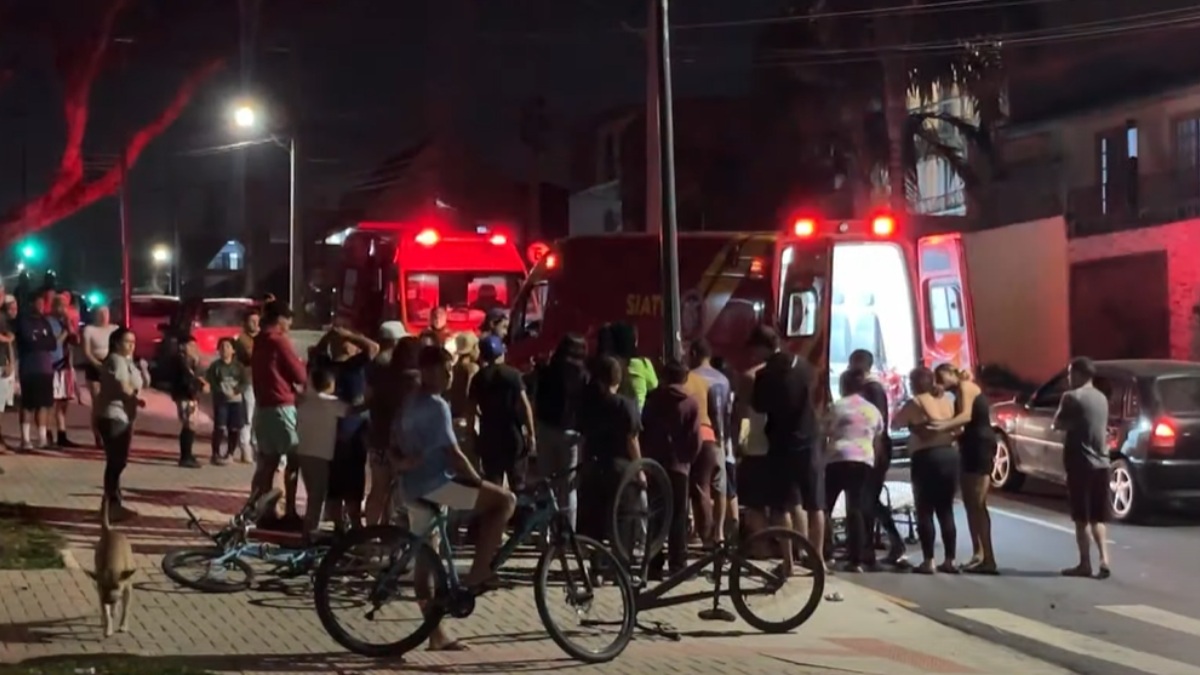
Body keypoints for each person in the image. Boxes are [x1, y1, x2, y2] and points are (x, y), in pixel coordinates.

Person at [396, 346, 516, 645]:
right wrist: (476, 480)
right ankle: (478, 573)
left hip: (413, 487)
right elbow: (453, 453)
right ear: (429, 370)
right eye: (445, 369)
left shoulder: (410, 401)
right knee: (504, 501)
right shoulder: (436, 406)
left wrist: (403, 463)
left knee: (427, 560)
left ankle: (435, 634)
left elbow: (394, 440)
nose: (450, 375)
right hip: (439, 487)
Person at [750, 325, 825, 567]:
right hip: (809, 440)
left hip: (781, 445)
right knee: (814, 505)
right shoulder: (805, 366)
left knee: (782, 506)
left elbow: (759, 406)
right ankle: (818, 559)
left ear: (763, 347)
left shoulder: (765, 375)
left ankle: (788, 561)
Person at [931, 364, 998, 574]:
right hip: (969, 444)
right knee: (970, 502)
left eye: (942, 379)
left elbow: (966, 416)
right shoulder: (956, 393)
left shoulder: (966, 387)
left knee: (978, 503)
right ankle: (978, 554)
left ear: (953, 374)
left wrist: (941, 426)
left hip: (980, 445)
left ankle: (989, 558)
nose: (940, 384)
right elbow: (961, 426)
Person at [893, 366, 959, 574]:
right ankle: (950, 560)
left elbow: (896, 423)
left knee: (925, 509)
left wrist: (914, 426)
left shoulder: (916, 402)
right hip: (949, 455)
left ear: (914, 384)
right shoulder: (946, 400)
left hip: (926, 458)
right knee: (945, 509)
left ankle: (928, 560)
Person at [312, 326, 379, 529]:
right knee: (346, 485)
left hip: (341, 435)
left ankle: (345, 529)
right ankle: (349, 529)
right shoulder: (341, 366)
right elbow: (373, 347)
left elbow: (373, 349)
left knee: (341, 485)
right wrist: (345, 334)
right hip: (346, 433)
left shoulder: (340, 365)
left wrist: (337, 336)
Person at [1052, 356, 1112, 579]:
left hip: (1080, 464)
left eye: (1069, 373)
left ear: (1078, 374)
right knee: (1098, 518)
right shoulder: (1101, 398)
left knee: (1081, 518)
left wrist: (1070, 423)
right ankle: (1104, 559)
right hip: (1102, 463)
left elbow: (1057, 423)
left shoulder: (1071, 397)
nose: (1068, 378)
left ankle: (1084, 563)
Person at [640, 360, 701, 579]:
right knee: (678, 515)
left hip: (656, 464)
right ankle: (678, 563)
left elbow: (643, 428)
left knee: (656, 514)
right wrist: (688, 459)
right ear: (684, 378)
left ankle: (654, 564)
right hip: (679, 466)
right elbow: (695, 438)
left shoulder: (652, 399)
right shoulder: (690, 403)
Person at [250, 300, 309, 527]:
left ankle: (265, 513)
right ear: (280, 320)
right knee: (293, 460)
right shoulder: (278, 342)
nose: (289, 327)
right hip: (282, 407)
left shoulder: (259, 341)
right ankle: (291, 512)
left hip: (263, 408)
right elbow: (299, 374)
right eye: (288, 322)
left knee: (268, 462)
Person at [848, 349, 907, 567]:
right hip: (872, 448)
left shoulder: (872, 389)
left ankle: (887, 542)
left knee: (868, 499)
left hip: (876, 448)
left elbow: (878, 423)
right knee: (867, 499)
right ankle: (868, 547)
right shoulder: (870, 387)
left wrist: (878, 451)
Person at [577, 355, 644, 541]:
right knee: (622, 517)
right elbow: (632, 439)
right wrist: (639, 470)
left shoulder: (588, 404)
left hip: (593, 463)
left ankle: (596, 560)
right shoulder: (624, 405)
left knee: (595, 518)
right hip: (619, 467)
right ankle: (618, 562)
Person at [824, 368, 883, 573]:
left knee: (825, 506)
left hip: (837, 458)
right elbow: (878, 438)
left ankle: (826, 553)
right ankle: (856, 559)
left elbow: (824, 431)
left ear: (843, 386)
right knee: (855, 509)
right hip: (863, 460)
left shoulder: (836, 407)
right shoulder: (873, 410)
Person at [533, 334, 589, 530]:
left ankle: (544, 531)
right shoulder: (583, 375)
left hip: (547, 428)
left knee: (546, 482)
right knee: (568, 486)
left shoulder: (548, 371)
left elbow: (537, 399)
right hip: (572, 433)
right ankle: (567, 532)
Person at [683, 339, 731, 546]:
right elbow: (726, 411)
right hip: (719, 439)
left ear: (693, 353)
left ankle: (703, 533)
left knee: (699, 487)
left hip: (700, 436)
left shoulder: (691, 379)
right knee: (719, 487)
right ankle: (719, 532)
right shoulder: (724, 379)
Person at [95, 328, 145, 522]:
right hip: (114, 416)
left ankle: (112, 503)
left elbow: (138, 383)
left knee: (119, 461)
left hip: (124, 416)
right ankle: (110, 505)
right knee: (116, 461)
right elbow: (123, 387)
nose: (131, 345)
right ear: (116, 343)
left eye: (133, 341)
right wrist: (134, 396)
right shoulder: (116, 360)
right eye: (127, 341)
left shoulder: (128, 361)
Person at [296, 368, 349, 538]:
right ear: (329, 384)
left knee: (312, 491)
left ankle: (309, 528)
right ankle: (311, 531)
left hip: (303, 451)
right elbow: (350, 411)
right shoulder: (332, 402)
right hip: (321, 454)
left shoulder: (305, 401)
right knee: (317, 495)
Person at [364, 321, 408, 526]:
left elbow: (368, 397)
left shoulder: (374, 365)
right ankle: (387, 532)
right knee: (395, 491)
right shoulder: (396, 367)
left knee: (378, 488)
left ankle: (370, 532)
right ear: (395, 341)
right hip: (395, 438)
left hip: (377, 435)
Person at [15, 293, 58, 451]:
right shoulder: (24, 321)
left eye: (43, 303)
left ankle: (42, 439)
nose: (41, 306)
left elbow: (52, 343)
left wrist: (39, 340)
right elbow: (28, 341)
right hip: (29, 368)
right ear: (31, 303)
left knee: (44, 404)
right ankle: (25, 440)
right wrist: (42, 341)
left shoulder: (44, 321)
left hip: (46, 368)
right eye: (38, 303)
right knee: (28, 405)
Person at [206, 337, 250, 466]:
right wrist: (221, 391)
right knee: (220, 427)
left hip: (236, 401)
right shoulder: (215, 366)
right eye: (222, 347)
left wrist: (235, 391)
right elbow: (212, 381)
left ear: (233, 350)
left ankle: (230, 453)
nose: (224, 350)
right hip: (221, 401)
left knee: (234, 428)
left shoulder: (239, 367)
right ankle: (215, 453)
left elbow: (245, 383)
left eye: (227, 347)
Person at [82, 305, 119, 449]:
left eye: (106, 313)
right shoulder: (89, 330)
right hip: (95, 367)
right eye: (100, 313)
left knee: (111, 403)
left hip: (112, 367)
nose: (103, 316)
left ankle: (111, 433)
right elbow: (87, 351)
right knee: (98, 402)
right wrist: (98, 365)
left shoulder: (115, 329)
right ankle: (98, 435)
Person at [168, 335, 208, 468]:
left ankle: (188, 454)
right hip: (185, 395)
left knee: (192, 424)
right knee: (189, 424)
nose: (194, 349)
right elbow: (186, 380)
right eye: (191, 346)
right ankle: (185, 456)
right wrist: (198, 385)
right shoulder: (180, 361)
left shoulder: (189, 361)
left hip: (190, 395)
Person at [47, 293, 79, 448]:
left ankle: (62, 433)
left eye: (65, 306)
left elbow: (75, 341)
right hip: (53, 365)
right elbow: (54, 343)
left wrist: (71, 327)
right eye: (60, 305)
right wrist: (66, 330)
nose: (63, 309)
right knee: (51, 402)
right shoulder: (49, 322)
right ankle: (46, 433)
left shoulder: (64, 321)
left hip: (66, 365)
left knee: (63, 402)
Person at [610, 323, 657, 412]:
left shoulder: (609, 363)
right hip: (637, 414)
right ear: (634, 341)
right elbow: (654, 387)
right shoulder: (643, 364)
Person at [235, 309, 261, 463]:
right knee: (248, 416)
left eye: (258, 321)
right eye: (252, 321)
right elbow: (253, 357)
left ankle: (256, 447)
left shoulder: (261, 338)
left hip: (261, 381)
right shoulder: (242, 340)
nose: (256, 324)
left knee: (258, 416)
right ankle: (245, 448)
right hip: (248, 381)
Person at [0, 293, 14, 451]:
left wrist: (9, 361)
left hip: (2, 363)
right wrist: (7, 339)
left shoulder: (3, 316)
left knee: (1, 405)